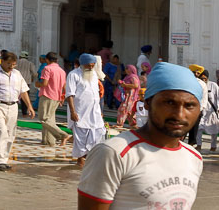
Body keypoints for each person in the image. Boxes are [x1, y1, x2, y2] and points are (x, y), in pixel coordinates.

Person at [77, 60, 203, 209]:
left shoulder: (194, 158)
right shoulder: (114, 153)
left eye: (189, 105)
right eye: (169, 103)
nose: (179, 115)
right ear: (148, 102)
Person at [0, 49, 35, 170]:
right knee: (1, 131)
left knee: (10, 134)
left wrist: (29, 106)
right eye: (9, 64)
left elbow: (23, 91)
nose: (11, 67)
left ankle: (3, 159)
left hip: (13, 106)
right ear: (2, 61)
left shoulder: (17, 74)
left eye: (14, 64)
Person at [67, 53, 105, 166]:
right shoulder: (73, 75)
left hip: (94, 111)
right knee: (81, 137)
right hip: (80, 111)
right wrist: (73, 112)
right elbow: (70, 95)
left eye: (93, 65)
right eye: (89, 65)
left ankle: (90, 158)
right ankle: (80, 160)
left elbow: (96, 94)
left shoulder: (93, 74)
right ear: (82, 64)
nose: (91, 67)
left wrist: (100, 110)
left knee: (97, 133)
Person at [37, 49, 68, 147]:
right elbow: (64, 86)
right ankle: (48, 141)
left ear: (47, 59)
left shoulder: (47, 68)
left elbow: (45, 83)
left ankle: (63, 135)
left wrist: (38, 84)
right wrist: (62, 97)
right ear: (57, 60)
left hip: (47, 95)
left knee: (44, 119)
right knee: (50, 119)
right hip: (57, 96)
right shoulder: (62, 71)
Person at [197, 69, 219, 152]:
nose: (203, 80)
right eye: (202, 78)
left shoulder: (213, 85)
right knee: (199, 129)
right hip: (201, 112)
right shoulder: (198, 85)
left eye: (205, 78)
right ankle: (198, 145)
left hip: (212, 112)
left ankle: (213, 146)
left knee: (214, 131)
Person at [115, 64, 140, 128]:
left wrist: (125, 85)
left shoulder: (133, 77)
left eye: (127, 68)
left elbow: (136, 85)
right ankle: (133, 124)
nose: (126, 70)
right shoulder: (128, 77)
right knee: (129, 111)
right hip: (127, 96)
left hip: (130, 97)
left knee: (123, 110)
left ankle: (119, 124)